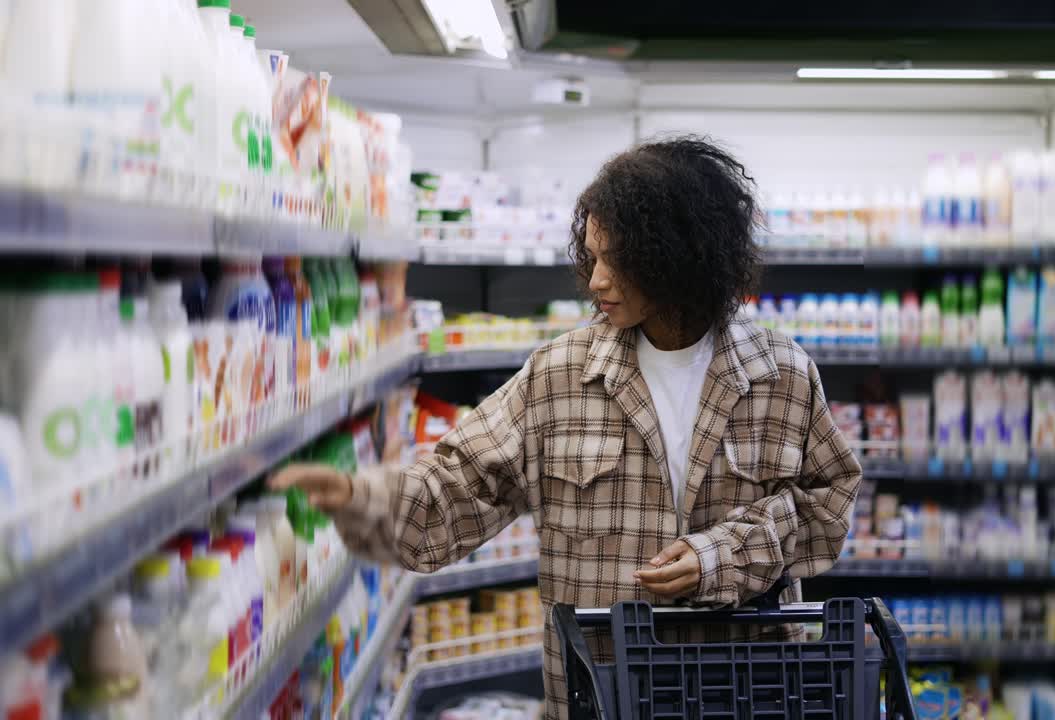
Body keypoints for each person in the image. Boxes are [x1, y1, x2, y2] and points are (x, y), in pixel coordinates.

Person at [271, 136, 863, 718]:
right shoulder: (559, 377)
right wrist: (359, 496)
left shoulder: (780, 375)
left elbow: (826, 508)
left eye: (616, 260)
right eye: (592, 256)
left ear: (677, 256)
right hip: (601, 698)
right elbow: (454, 488)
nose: (595, 280)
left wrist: (722, 557)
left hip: (747, 694)